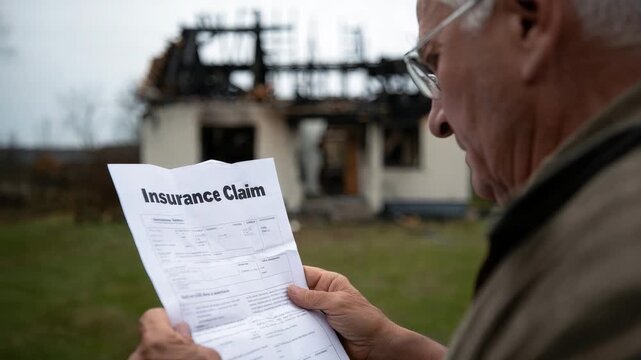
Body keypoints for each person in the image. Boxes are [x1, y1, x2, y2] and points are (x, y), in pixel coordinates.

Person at [128, 0, 641, 358]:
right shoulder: (590, 218)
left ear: (528, 21)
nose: (436, 119)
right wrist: (398, 350)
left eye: (436, 62)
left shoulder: (610, 264)